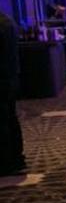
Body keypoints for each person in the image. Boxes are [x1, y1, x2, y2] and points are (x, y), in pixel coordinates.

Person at [0, 11, 25, 176]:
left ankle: (5, 161)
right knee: (10, 118)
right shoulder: (7, 20)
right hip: (10, 77)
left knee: (3, 121)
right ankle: (16, 157)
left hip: (1, 78)